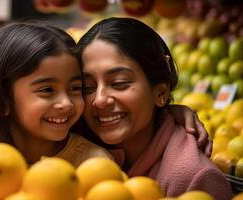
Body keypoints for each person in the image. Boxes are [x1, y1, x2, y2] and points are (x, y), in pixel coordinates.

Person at [74, 17, 232, 199]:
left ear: (160, 92)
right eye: (87, 87)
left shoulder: (195, 180)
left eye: (119, 83)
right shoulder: (71, 145)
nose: (99, 100)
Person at [0, 22, 113, 166]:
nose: (66, 103)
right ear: (3, 100)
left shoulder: (93, 163)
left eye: (75, 88)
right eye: (47, 90)